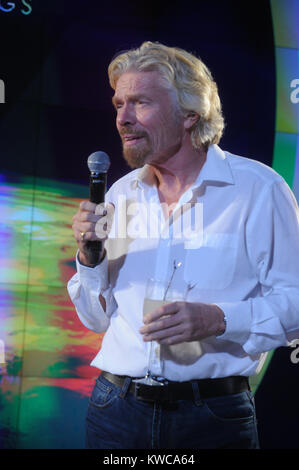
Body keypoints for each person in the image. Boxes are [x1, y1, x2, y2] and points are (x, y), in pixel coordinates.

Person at [67, 41, 299, 449]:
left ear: (191, 114)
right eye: (119, 104)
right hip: (114, 411)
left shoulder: (258, 190)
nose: (123, 119)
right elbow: (96, 320)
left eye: (140, 103)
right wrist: (89, 257)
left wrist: (220, 319)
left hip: (212, 417)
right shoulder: (120, 194)